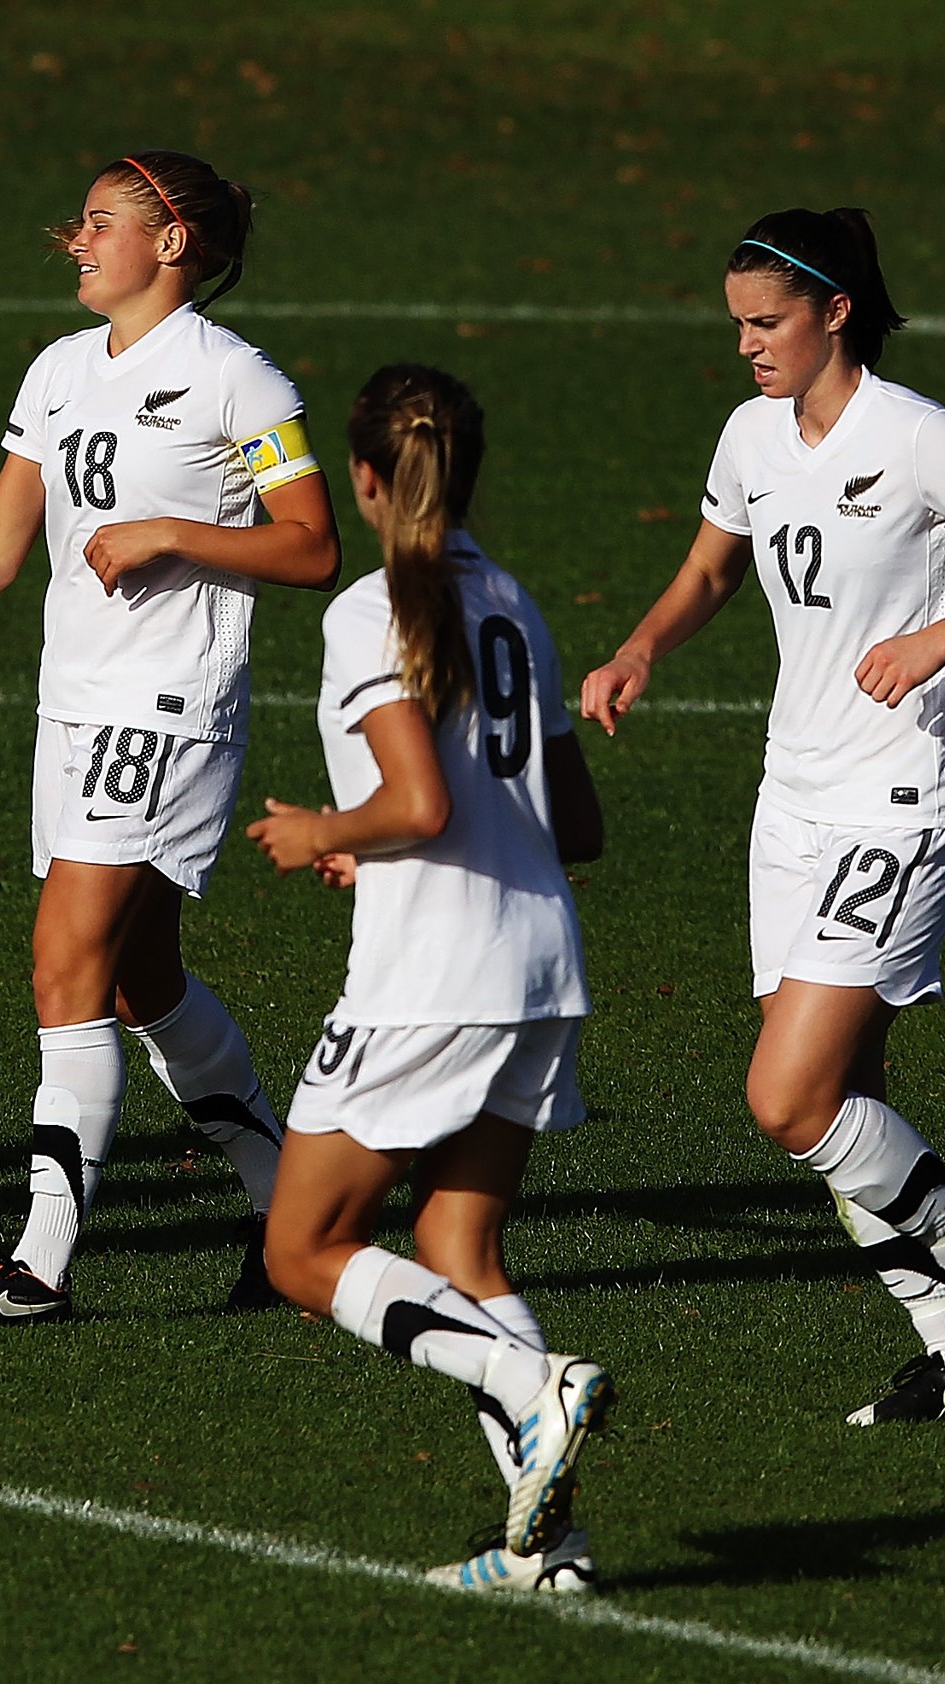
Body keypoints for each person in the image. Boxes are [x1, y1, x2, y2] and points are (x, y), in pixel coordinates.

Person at [0, 151, 340, 1324]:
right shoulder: (56, 372)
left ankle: (37, 1268)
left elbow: (311, 545)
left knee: (65, 965)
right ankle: (295, 1223)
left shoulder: (237, 380)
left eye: (100, 225)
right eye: (78, 225)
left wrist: (171, 534)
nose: (76, 243)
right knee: (141, 978)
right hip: (72, 712)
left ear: (172, 242)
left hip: (164, 711)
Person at [579, 209, 945, 1425]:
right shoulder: (753, 434)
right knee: (836, 1099)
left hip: (900, 794)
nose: (747, 347)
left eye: (766, 324)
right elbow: (713, 564)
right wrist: (639, 648)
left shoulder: (920, 437)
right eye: (738, 326)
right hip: (792, 795)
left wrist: (941, 634)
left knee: (788, 1095)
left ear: (834, 312)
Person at [252, 363, 611, 1592]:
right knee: (460, 1242)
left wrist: (325, 835)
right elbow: (572, 825)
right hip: (540, 966)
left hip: (431, 978)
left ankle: (532, 1384)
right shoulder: (515, 602)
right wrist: (393, 847)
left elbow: (416, 799)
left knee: (304, 1250)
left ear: (363, 478)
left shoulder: (369, 610)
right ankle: (542, 1547)